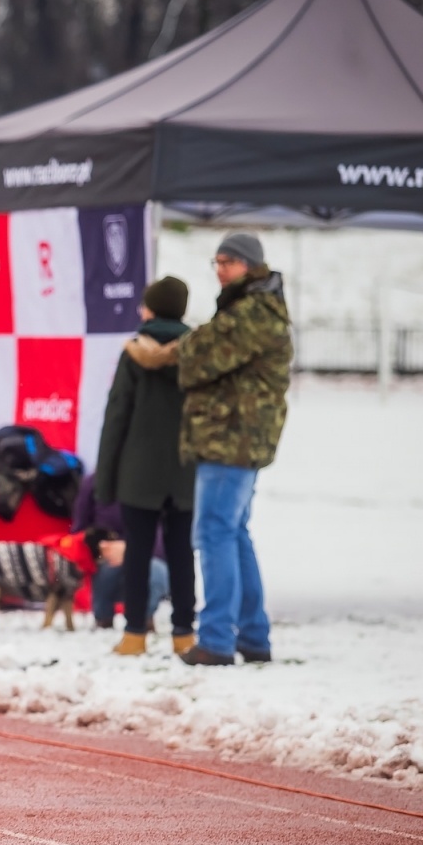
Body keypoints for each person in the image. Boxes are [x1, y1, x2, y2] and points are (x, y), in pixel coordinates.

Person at [128, 233, 292, 666]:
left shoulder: (251, 311)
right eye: (217, 261)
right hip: (238, 437)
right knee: (234, 532)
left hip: (230, 437)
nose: (221, 269)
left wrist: (170, 351)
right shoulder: (251, 306)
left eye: (230, 261)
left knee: (214, 533)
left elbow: (201, 358)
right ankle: (253, 635)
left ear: (250, 266)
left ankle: (217, 638)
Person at [95, 276, 197, 656]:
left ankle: (135, 633)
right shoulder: (199, 350)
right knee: (182, 551)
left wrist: (105, 479)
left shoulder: (134, 353)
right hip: (185, 468)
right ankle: (184, 632)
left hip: (138, 471)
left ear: (151, 308)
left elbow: (117, 415)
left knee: (137, 550)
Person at [71, 473, 169, 631]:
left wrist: (129, 549)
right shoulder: (94, 482)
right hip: (106, 555)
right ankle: (103, 619)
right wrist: (99, 547)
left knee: (156, 571)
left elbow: (163, 534)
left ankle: (145, 618)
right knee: (108, 569)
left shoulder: (154, 484)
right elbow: (79, 531)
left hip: (147, 553)